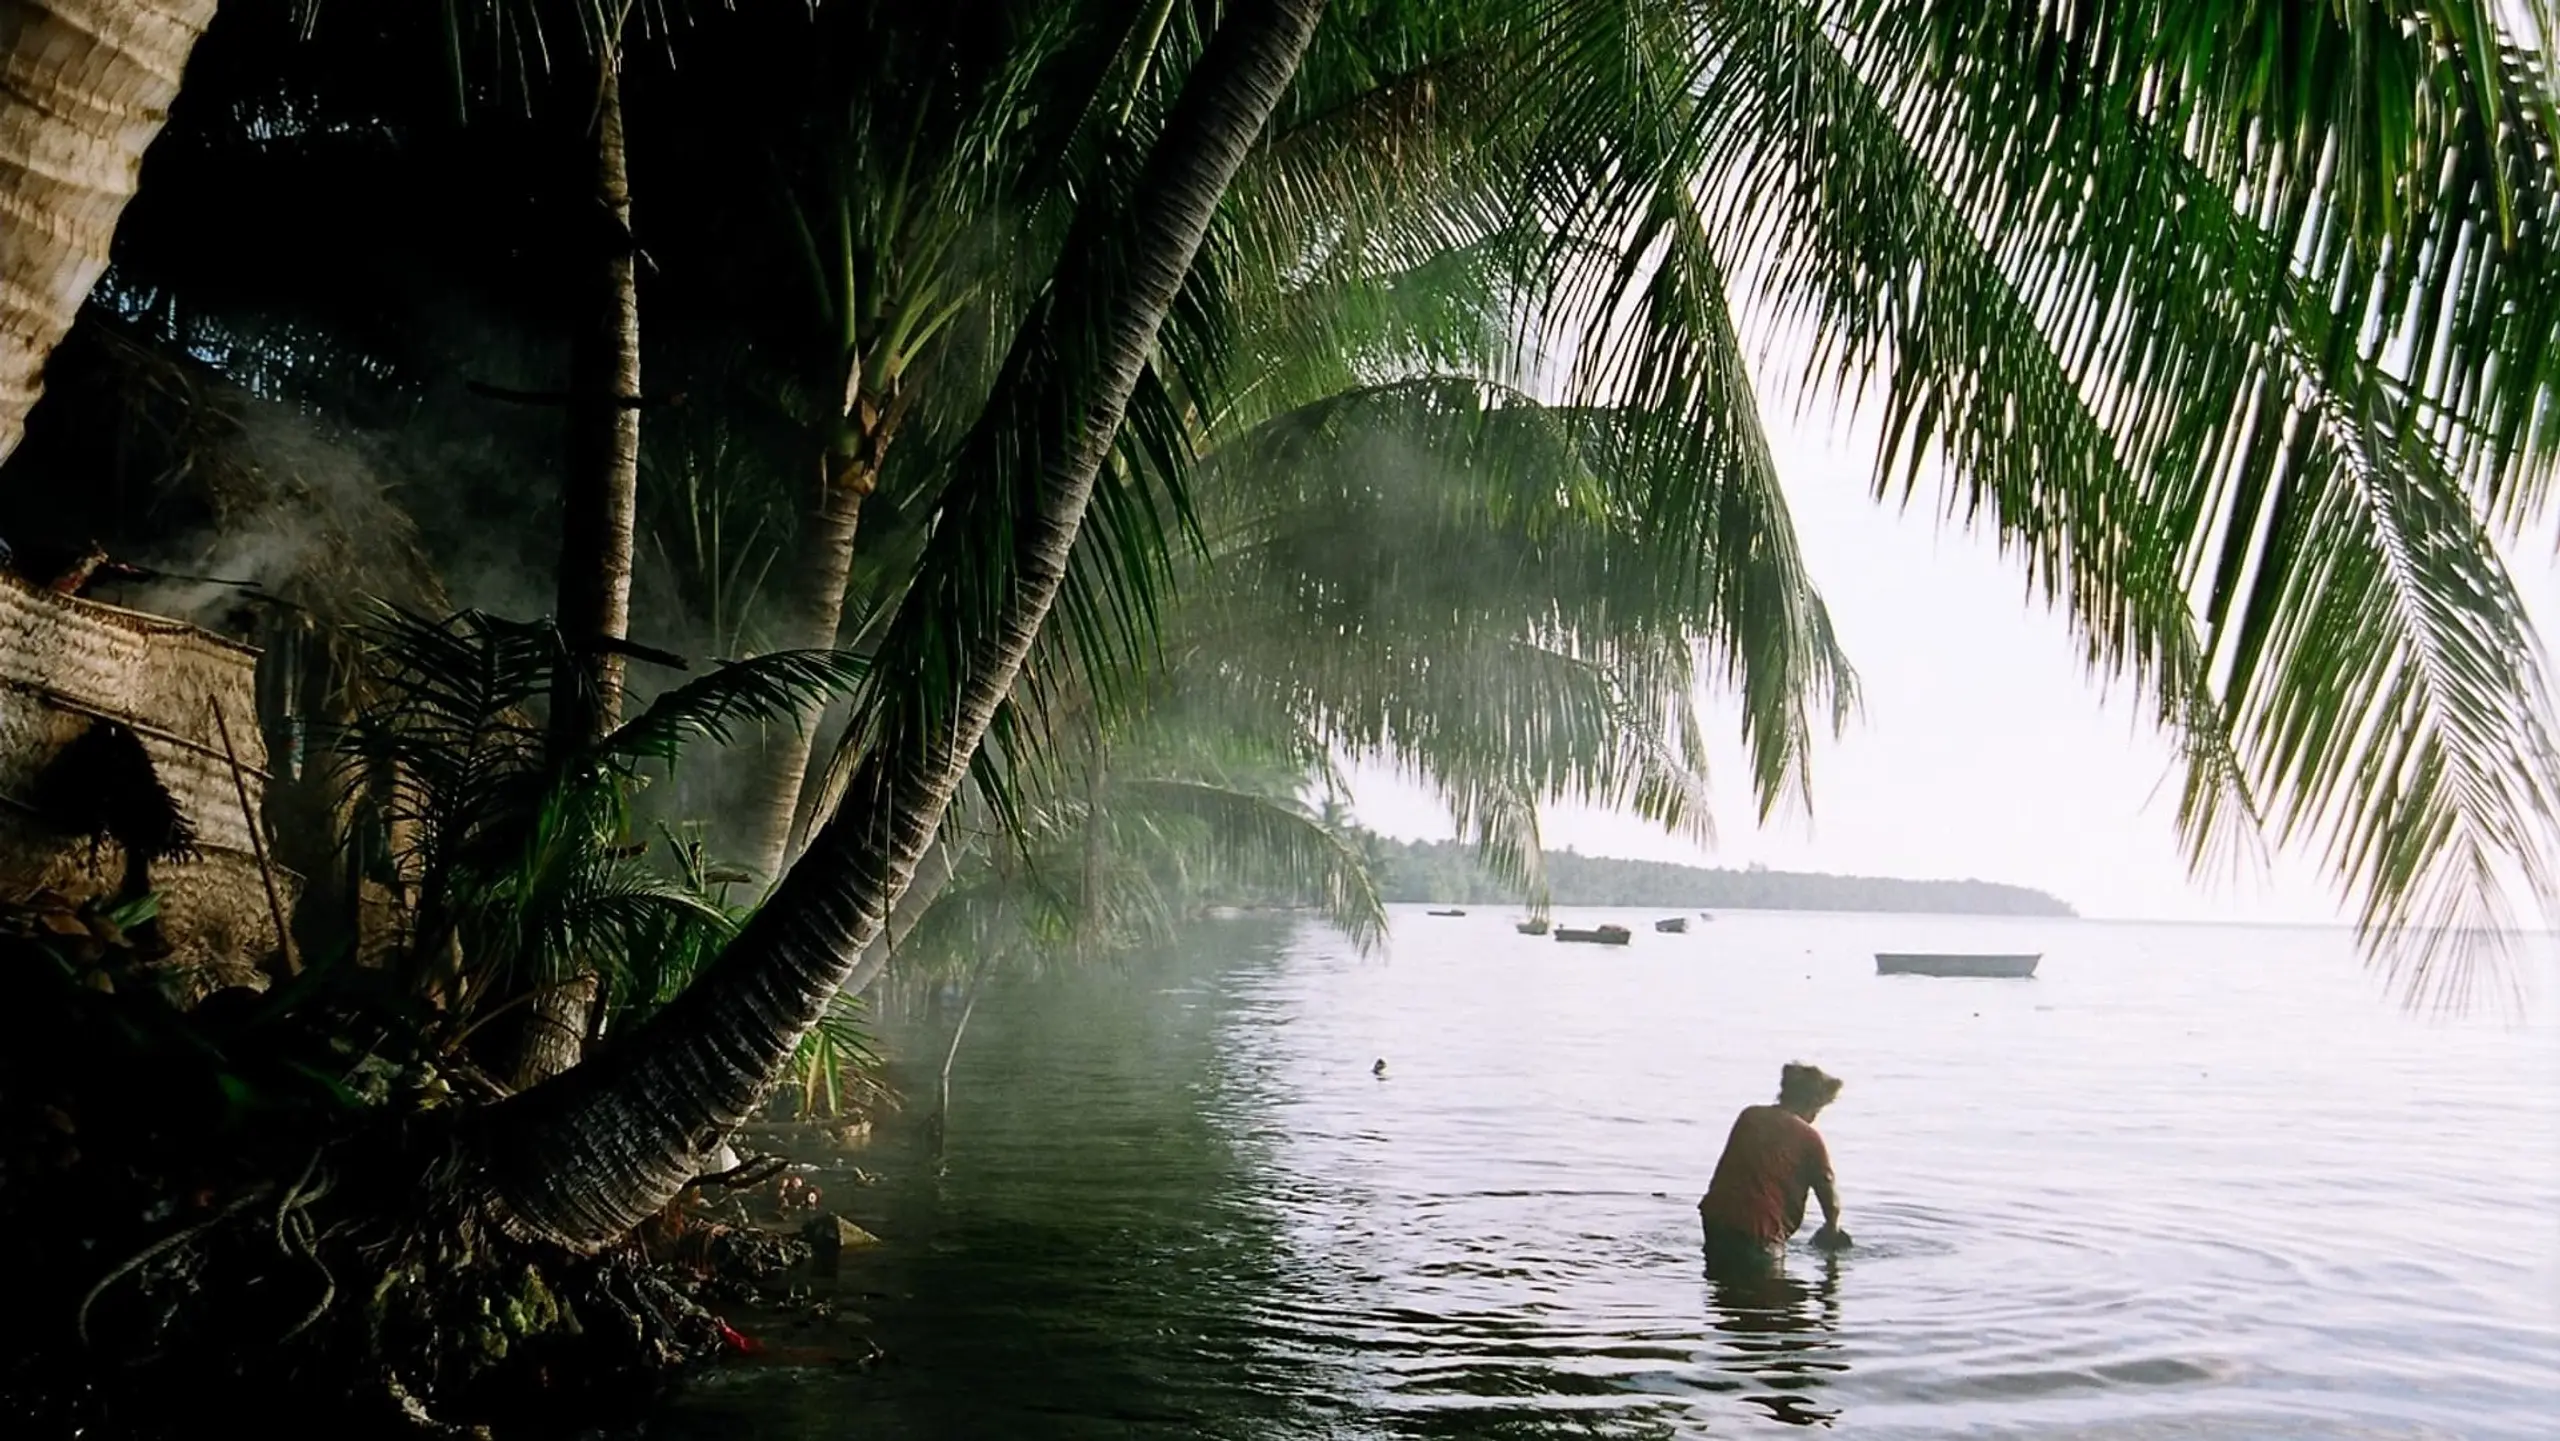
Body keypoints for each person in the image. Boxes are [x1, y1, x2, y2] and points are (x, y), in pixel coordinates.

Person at [1698, 1062, 1849, 1275]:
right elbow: (1828, 1194)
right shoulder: (1809, 1138)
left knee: (1721, 1284)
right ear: (1813, 1103)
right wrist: (1832, 1228)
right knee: (1769, 1293)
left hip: (1717, 1219)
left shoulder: (1749, 1117)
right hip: (1759, 1229)